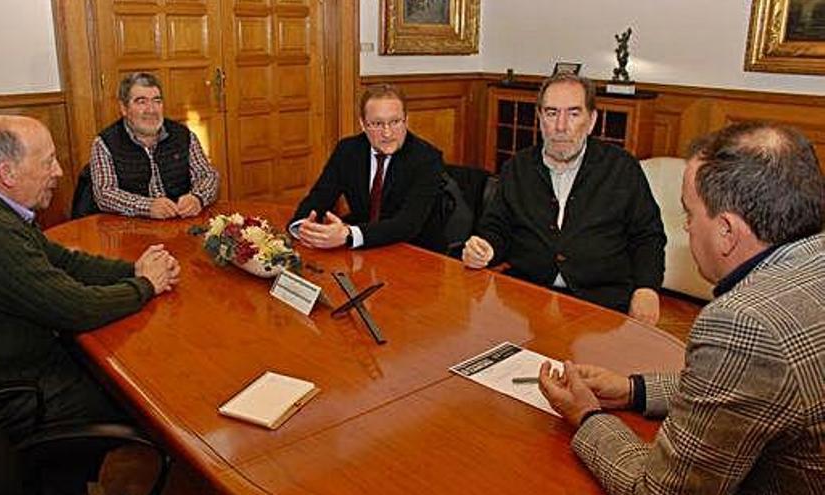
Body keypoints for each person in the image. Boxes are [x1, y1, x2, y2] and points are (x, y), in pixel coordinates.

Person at [538, 121, 825, 494]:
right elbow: (751, 388)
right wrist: (632, 390)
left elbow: (660, 490)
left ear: (726, 231)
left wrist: (586, 415)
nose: (687, 228)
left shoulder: (744, 324)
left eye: (689, 214)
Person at [0, 115, 180, 489]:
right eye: (47, 161)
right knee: (146, 393)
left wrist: (133, 269)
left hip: (6, 367)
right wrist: (146, 286)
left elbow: (64, 261)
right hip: (19, 391)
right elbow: (74, 308)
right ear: (8, 173)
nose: (58, 171)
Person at [463, 73, 665, 324]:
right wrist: (484, 248)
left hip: (600, 305)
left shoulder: (621, 168)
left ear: (591, 121)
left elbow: (648, 236)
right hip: (527, 297)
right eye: (551, 113)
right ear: (539, 118)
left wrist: (647, 288)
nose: (560, 126)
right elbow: (496, 227)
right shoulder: (518, 167)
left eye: (573, 114)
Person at [288, 83, 446, 250]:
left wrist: (348, 235)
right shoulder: (348, 150)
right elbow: (319, 197)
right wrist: (304, 227)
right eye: (377, 124)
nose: (387, 133)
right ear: (363, 124)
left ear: (406, 120)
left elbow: (407, 224)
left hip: (416, 252)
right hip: (364, 249)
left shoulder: (427, 158)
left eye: (395, 122)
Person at [89, 72, 219, 219]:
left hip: (180, 221)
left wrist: (197, 198)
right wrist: (148, 207)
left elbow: (208, 175)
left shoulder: (183, 135)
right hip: (131, 228)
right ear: (124, 108)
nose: (151, 110)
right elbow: (104, 194)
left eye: (157, 101)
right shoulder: (105, 143)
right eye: (141, 101)